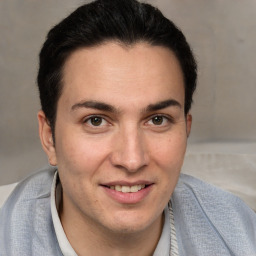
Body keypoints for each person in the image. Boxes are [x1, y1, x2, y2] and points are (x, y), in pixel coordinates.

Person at [0, 0, 255, 255]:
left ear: (186, 130)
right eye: (96, 121)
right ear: (49, 138)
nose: (132, 160)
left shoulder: (243, 234)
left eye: (158, 120)